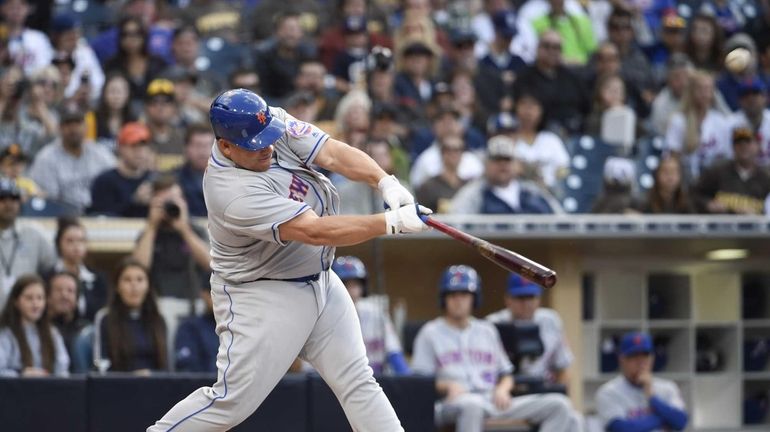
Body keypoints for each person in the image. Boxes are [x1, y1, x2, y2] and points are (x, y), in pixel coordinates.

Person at [148, 88, 432, 430]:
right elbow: (314, 231)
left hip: (319, 278)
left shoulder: (265, 123)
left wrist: (385, 182)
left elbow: (332, 153)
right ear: (226, 146)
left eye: (267, 136)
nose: (267, 146)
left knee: (358, 379)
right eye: (255, 144)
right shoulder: (230, 191)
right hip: (264, 294)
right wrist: (389, 223)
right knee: (230, 402)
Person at [411, 265, 580, 432]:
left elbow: (506, 374)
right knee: (472, 404)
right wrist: (447, 385)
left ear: (474, 298)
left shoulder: (487, 330)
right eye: (453, 295)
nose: (459, 300)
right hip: (451, 403)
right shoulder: (430, 333)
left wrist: (502, 389)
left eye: (464, 294)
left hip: (491, 400)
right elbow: (420, 381)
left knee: (559, 405)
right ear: (444, 298)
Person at [131, 174, 211, 342]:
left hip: (195, 304)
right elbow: (138, 267)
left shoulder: (195, 231)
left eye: (174, 200)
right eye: (164, 202)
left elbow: (211, 264)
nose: (169, 207)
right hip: (159, 306)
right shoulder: (148, 234)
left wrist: (184, 229)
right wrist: (151, 226)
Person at [486, 274, 574, 386]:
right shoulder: (491, 324)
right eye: (520, 298)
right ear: (508, 299)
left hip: (541, 387)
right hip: (506, 390)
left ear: (539, 299)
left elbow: (563, 368)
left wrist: (562, 393)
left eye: (531, 297)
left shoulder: (550, 320)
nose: (526, 304)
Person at [28, 105, 117, 213]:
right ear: (59, 128)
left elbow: (116, 178)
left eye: (78, 124)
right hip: (62, 215)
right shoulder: (46, 158)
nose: (73, 129)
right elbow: (48, 199)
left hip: (99, 214)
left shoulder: (99, 153)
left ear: (86, 127)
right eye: (68, 124)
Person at [332, 256, 410, 375]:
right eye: (346, 285)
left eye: (355, 285)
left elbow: (394, 354)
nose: (351, 291)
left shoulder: (375, 313)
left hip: (377, 381)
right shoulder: (324, 319)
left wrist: (409, 382)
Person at [596, 331, 688, 431]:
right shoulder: (608, 392)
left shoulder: (668, 387)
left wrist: (652, 397)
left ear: (652, 358)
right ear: (622, 359)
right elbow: (623, 429)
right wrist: (665, 417)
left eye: (645, 355)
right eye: (634, 356)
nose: (641, 362)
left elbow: (680, 421)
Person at [450, 136, 562, 214]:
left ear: (516, 164)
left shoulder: (533, 191)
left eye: (507, 159)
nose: (502, 164)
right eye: (497, 159)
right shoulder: (474, 194)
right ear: (486, 164)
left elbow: (563, 222)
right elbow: (455, 226)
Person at [93, 258, 168, 373]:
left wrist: (151, 375)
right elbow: (100, 366)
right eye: (127, 280)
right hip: (118, 386)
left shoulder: (158, 318)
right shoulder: (105, 318)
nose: (134, 286)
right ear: (117, 287)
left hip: (154, 385)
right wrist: (131, 378)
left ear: (148, 286)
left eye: (140, 280)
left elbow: (167, 367)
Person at [0, 178, 56, 308]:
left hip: (25, 315)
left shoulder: (34, 233)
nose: (9, 204)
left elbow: (52, 268)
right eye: (2, 199)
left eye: (14, 198)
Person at [0, 274, 69, 376]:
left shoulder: (52, 333)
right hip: (15, 389)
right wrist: (21, 374)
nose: (36, 304)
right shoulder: (5, 333)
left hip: (49, 389)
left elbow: (63, 370)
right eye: (29, 298)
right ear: (16, 301)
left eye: (40, 298)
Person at [694, 126, 770, 214]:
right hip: (721, 225)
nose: (743, 146)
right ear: (733, 147)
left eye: (748, 142)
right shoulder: (717, 171)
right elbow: (695, 194)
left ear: (758, 145)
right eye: (738, 142)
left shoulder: (765, 177)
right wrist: (707, 204)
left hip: (756, 227)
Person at [89, 122, 156, 217]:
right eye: (133, 146)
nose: (139, 152)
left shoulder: (153, 179)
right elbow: (102, 219)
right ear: (120, 148)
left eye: (143, 146)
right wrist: (134, 202)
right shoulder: (105, 181)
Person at [51, 217, 108, 322]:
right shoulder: (47, 277)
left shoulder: (98, 279)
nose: (76, 246)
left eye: (81, 241)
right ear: (59, 244)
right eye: (70, 241)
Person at [46, 271, 87, 371]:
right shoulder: (39, 330)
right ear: (48, 297)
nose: (64, 295)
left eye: (70, 291)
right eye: (59, 290)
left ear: (77, 299)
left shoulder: (86, 331)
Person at [415, 135, 468, 213]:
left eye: (458, 150)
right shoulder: (428, 187)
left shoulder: (467, 186)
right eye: (448, 149)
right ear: (442, 153)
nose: (453, 154)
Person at [174, 284, 217, 373]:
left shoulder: (237, 329)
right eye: (216, 293)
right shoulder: (190, 328)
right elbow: (186, 368)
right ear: (204, 294)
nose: (222, 299)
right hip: (203, 385)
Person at [176, 124, 213, 218]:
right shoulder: (175, 179)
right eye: (197, 145)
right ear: (186, 148)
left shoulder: (228, 178)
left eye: (207, 146)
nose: (202, 152)